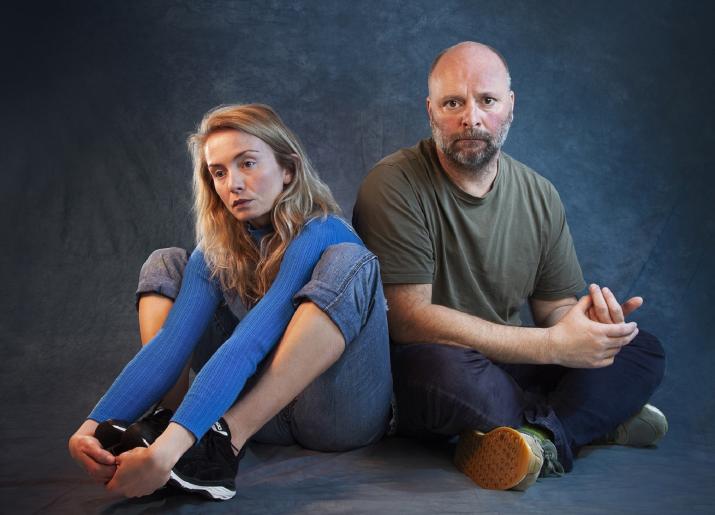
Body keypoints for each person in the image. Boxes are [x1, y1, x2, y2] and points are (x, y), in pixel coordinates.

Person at [352, 41, 666, 491]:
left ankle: (539, 439)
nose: (471, 118)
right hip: (437, 364)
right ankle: (589, 424)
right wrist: (555, 347)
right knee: (442, 372)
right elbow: (407, 319)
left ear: (510, 106)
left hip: (516, 361)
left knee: (641, 348)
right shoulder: (393, 184)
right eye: (453, 102)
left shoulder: (540, 194)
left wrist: (590, 328)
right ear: (431, 110)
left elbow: (555, 310)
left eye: (487, 100)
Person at [68, 104, 392, 500]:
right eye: (219, 172)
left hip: (336, 415)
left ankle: (214, 446)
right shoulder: (218, 250)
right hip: (262, 418)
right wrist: (90, 429)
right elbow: (171, 345)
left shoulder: (321, 231)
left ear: (288, 170)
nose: (233, 183)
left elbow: (250, 341)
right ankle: (175, 421)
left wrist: (165, 456)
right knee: (168, 261)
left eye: (248, 163)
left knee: (348, 261)